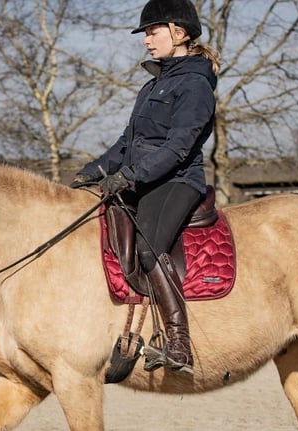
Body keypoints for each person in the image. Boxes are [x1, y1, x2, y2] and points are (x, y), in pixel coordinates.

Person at [71, 0, 220, 375]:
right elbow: (125, 143)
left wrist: (129, 176)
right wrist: (90, 173)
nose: (146, 41)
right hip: (144, 176)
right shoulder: (153, 86)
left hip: (177, 180)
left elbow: (178, 146)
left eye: (153, 32)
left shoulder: (196, 85)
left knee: (149, 246)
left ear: (179, 33)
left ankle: (179, 344)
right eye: (146, 34)